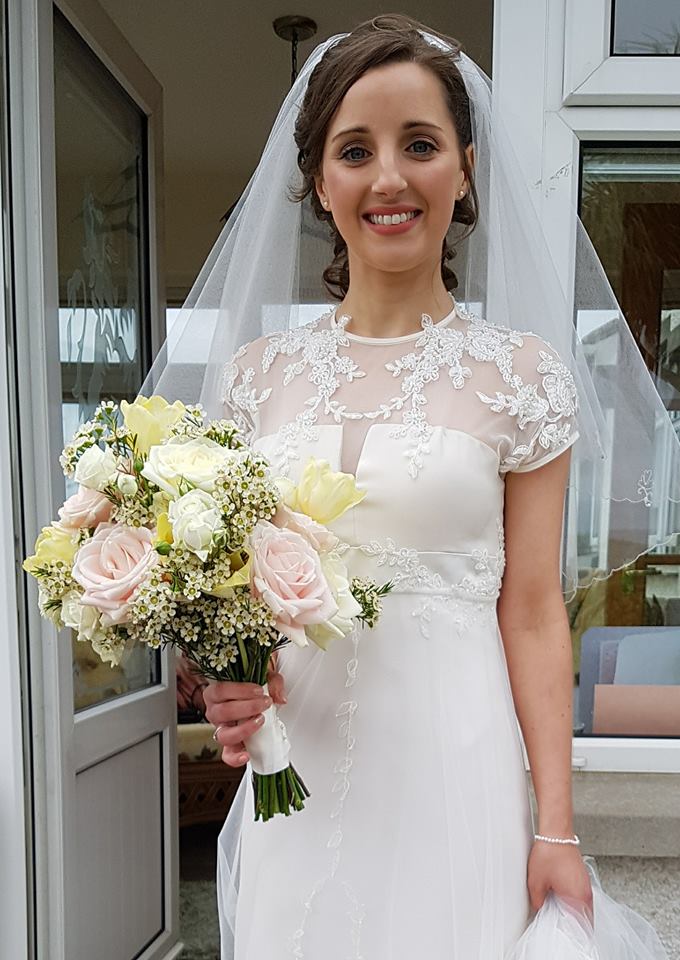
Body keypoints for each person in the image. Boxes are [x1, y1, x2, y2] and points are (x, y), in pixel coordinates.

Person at [148, 14, 675, 959]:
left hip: (456, 769)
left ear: (464, 168)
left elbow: (533, 613)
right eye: (357, 150)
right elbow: (234, 597)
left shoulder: (519, 375)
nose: (389, 178)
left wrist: (556, 825)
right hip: (293, 779)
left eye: (420, 145)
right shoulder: (255, 378)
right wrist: (229, 681)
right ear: (320, 180)